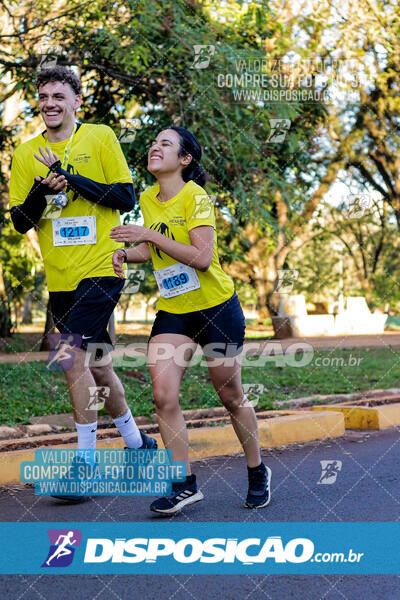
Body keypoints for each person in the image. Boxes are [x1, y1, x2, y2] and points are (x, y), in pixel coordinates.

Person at [9, 66, 156, 502]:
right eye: (44, 96)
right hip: (61, 277)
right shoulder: (25, 153)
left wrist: (70, 178)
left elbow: (126, 197)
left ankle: (86, 466)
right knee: (98, 364)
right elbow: (21, 221)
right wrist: (42, 189)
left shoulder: (100, 137)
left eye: (59, 95)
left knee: (71, 356)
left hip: (102, 265)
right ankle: (138, 445)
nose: (50, 103)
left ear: (76, 101)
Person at [110, 125, 271, 514]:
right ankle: (183, 484)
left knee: (230, 396)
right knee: (163, 396)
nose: (155, 147)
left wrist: (148, 235)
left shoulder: (196, 197)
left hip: (216, 308)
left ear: (185, 159)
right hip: (175, 312)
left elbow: (200, 257)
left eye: (165, 144)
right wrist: (128, 254)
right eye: (153, 142)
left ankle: (257, 471)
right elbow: (157, 252)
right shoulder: (148, 197)